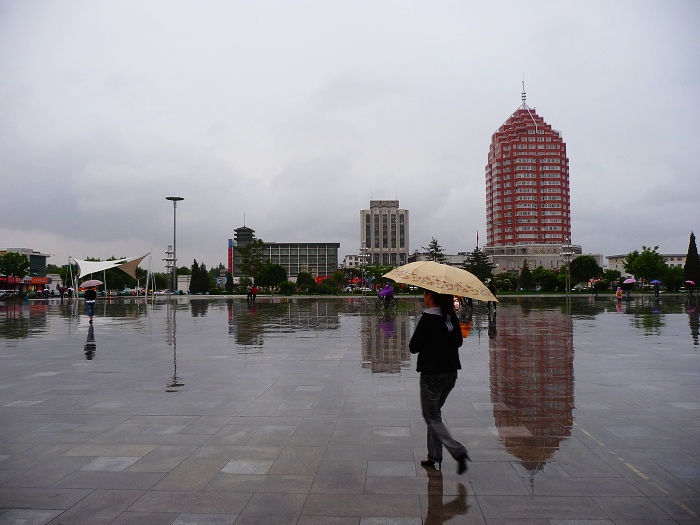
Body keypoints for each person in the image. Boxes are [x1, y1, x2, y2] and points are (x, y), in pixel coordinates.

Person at [410, 288, 470, 475]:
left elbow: (413, 347)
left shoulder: (427, 318)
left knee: (432, 416)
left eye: (425, 294)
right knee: (434, 414)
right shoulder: (450, 316)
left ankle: (456, 449)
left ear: (429, 296)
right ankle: (433, 455)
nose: (423, 297)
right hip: (450, 373)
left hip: (432, 374)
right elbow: (459, 342)